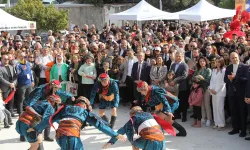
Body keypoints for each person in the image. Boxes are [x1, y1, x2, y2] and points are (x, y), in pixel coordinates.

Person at [49, 96, 126, 150]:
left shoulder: (65, 108)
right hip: (72, 136)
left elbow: (50, 119)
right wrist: (116, 135)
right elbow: (100, 126)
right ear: (85, 105)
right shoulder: (84, 112)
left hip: (59, 136)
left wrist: (38, 129)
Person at [224, 52, 249, 137]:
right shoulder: (228, 67)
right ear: (230, 59)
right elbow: (225, 80)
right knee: (233, 111)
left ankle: (243, 130)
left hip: (241, 93)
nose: (234, 59)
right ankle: (235, 128)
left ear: (238, 57)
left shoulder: (245, 67)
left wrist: (236, 78)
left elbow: (246, 79)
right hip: (231, 93)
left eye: (235, 57)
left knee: (242, 112)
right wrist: (230, 79)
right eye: (232, 58)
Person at [169, 51, 189, 122]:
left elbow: (184, 75)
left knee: (183, 102)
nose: (178, 57)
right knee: (175, 101)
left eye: (179, 56)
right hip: (174, 87)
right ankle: (177, 114)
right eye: (177, 56)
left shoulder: (184, 65)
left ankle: (184, 116)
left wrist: (175, 80)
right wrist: (169, 80)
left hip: (182, 86)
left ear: (182, 57)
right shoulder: (173, 65)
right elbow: (170, 73)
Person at [192, 56, 212, 126]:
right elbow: (193, 78)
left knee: (207, 104)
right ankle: (203, 117)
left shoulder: (208, 70)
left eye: (203, 61)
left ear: (206, 62)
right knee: (202, 104)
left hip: (206, 88)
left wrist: (202, 78)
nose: (202, 63)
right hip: (199, 89)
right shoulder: (198, 70)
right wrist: (196, 79)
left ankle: (209, 119)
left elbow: (208, 81)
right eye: (200, 61)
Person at [209, 57, 227, 130]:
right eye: (216, 62)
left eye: (219, 62)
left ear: (222, 62)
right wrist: (211, 89)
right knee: (215, 107)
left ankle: (221, 124)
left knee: (220, 108)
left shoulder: (224, 71)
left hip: (220, 92)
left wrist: (216, 90)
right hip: (213, 92)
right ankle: (216, 123)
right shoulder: (213, 70)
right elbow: (212, 80)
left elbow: (222, 83)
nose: (217, 63)